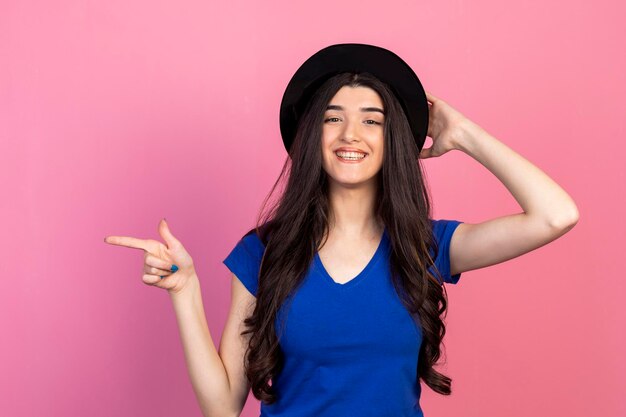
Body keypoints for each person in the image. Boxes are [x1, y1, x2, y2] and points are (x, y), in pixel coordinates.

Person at [104, 43, 579, 417]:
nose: (350, 134)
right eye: (333, 118)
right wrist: (184, 292)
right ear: (314, 137)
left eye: (372, 121)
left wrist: (463, 134)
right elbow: (223, 406)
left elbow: (555, 215)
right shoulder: (261, 253)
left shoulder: (427, 246)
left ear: (392, 141)